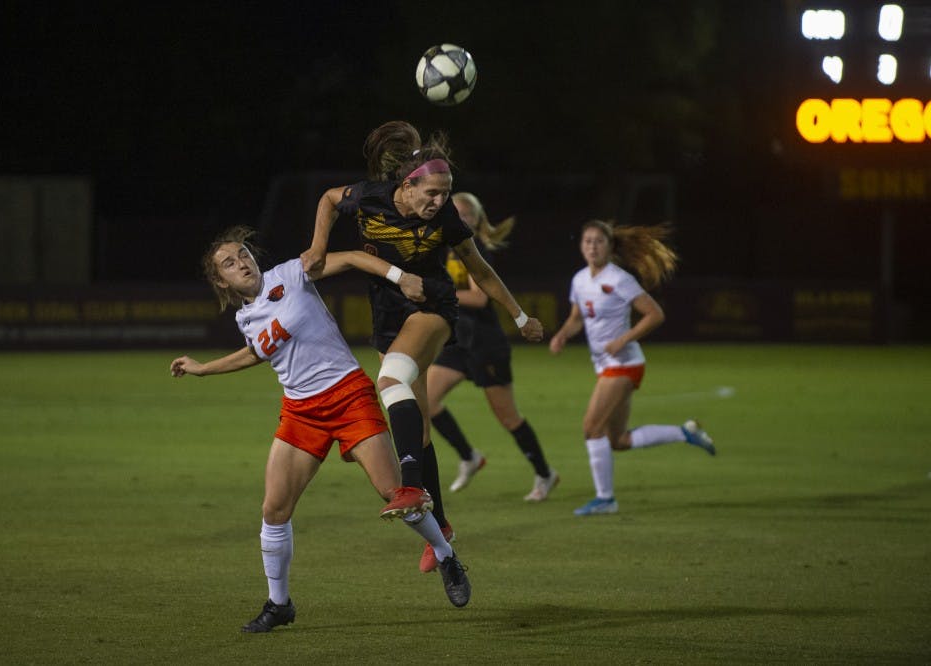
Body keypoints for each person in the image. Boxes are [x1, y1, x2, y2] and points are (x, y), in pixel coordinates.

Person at [169, 226, 470, 635]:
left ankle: (445, 554)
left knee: (394, 492)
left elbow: (349, 258)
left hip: (348, 395)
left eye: (243, 255)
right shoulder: (245, 316)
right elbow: (256, 353)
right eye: (229, 263)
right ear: (221, 280)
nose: (241, 264)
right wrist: (202, 368)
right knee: (274, 509)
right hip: (301, 411)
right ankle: (279, 604)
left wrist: (398, 277)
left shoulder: (291, 274)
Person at [300, 121, 544, 573]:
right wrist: (317, 246)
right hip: (388, 315)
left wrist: (520, 315)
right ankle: (442, 528)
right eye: (431, 193)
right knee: (419, 426)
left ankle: (411, 487)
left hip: (433, 307)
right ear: (407, 186)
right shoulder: (368, 197)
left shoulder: (447, 219)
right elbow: (329, 199)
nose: (439, 202)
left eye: (445, 193)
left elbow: (483, 270)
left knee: (391, 379)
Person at [548, 220, 716, 517]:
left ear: (610, 247)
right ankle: (684, 433)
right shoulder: (579, 280)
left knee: (591, 428)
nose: (592, 246)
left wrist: (622, 339)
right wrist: (562, 334)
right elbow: (577, 317)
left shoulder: (620, 279)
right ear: (581, 246)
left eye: (598, 241)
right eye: (587, 241)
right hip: (606, 366)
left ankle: (605, 499)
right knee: (618, 440)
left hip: (625, 363)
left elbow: (655, 314)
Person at [427, 192, 559, 502]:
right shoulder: (444, 249)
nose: (458, 218)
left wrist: (439, 293)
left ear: (475, 219)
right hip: (459, 341)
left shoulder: (477, 248)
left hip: (486, 344)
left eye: (465, 214)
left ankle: (545, 473)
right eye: (453, 212)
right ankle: (469, 456)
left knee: (508, 418)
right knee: (426, 401)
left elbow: (479, 297)